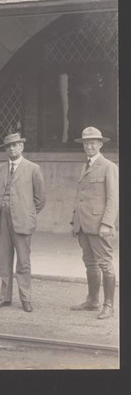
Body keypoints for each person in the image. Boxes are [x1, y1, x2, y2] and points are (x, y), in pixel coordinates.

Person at [0, 133, 46, 313]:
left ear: (21, 147)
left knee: (23, 261)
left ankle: (25, 298)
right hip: (2, 218)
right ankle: (5, 297)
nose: (11, 149)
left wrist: (27, 213)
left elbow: (40, 199)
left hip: (22, 220)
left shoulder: (33, 168)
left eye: (15, 145)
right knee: (4, 260)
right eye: (8, 146)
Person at [70, 127, 119, 320]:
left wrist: (107, 223)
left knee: (105, 263)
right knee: (89, 262)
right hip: (83, 224)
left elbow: (113, 199)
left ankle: (109, 305)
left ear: (100, 145)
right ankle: (92, 300)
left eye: (92, 143)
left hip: (99, 225)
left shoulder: (109, 167)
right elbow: (80, 197)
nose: (89, 146)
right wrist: (74, 221)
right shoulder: (85, 166)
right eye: (86, 143)